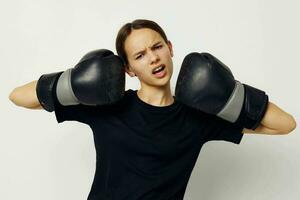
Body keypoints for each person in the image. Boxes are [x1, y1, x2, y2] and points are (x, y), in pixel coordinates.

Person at [9, 19, 296, 200]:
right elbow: (18, 96)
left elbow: (285, 124)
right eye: (140, 55)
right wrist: (74, 81)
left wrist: (231, 93)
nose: (153, 59)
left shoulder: (197, 116)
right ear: (129, 69)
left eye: (157, 47)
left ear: (170, 48)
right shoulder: (108, 106)